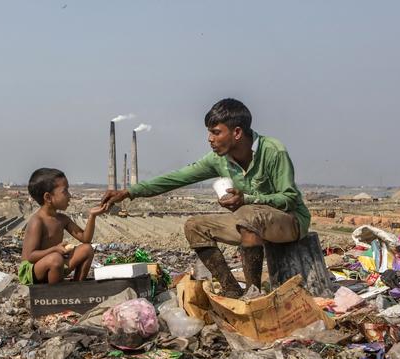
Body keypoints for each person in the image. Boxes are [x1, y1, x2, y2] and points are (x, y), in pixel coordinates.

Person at [102, 98, 310, 298]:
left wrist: (247, 199)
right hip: (250, 226)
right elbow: (177, 178)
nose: (210, 139)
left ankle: (253, 294)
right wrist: (129, 192)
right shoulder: (218, 160)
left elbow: (289, 198)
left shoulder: (273, 151)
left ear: (237, 132)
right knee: (195, 226)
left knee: (247, 214)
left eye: (216, 132)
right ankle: (231, 289)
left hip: (289, 222)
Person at [19, 168, 108, 285]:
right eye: (65, 191)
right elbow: (30, 256)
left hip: (56, 263)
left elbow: (85, 239)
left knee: (87, 249)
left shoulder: (62, 219)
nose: (69, 196)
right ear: (48, 197)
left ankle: (77, 287)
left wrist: (92, 216)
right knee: (55, 259)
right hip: (33, 271)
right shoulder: (37, 221)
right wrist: (55, 249)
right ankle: (55, 294)